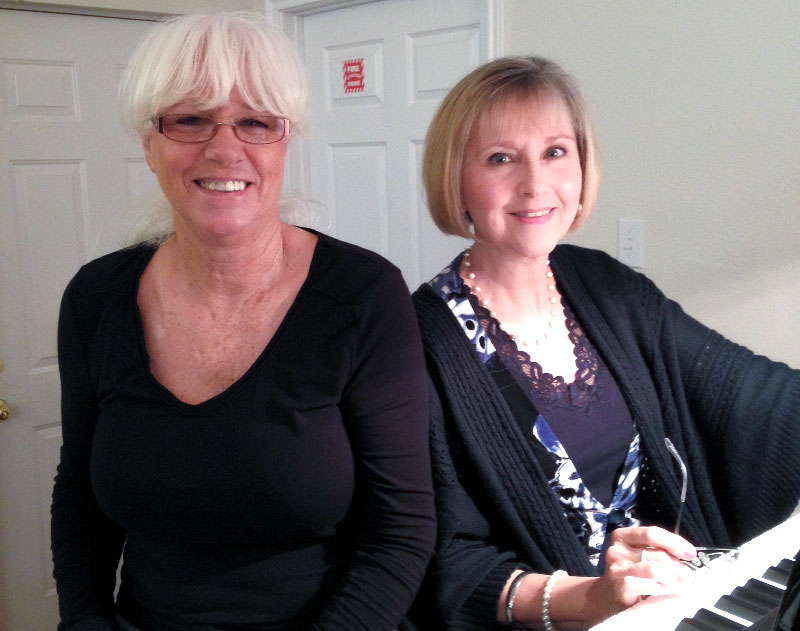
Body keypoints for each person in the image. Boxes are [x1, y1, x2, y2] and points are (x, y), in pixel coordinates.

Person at [51, 13, 435, 631]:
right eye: (189, 119)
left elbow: (401, 530)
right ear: (150, 143)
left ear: (286, 140)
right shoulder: (95, 299)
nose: (225, 148)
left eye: (256, 121)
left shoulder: (364, 295)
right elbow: (79, 498)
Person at [405, 56, 800, 630]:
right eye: (500, 159)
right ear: (455, 179)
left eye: (555, 152)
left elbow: (745, 392)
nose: (535, 183)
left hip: (678, 607)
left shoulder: (604, 285)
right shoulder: (419, 344)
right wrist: (592, 598)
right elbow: (448, 565)